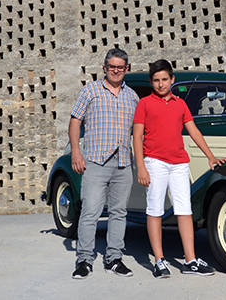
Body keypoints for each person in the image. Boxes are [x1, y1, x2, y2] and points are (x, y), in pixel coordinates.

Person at [133, 59, 226, 278]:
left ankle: (190, 260)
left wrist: (210, 156)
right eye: (156, 80)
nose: (161, 84)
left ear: (172, 80)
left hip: (179, 163)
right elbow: (137, 136)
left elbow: (193, 131)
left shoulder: (180, 104)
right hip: (154, 162)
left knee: (184, 210)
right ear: (151, 82)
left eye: (165, 79)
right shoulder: (144, 104)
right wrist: (141, 167)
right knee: (155, 209)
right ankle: (159, 261)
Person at [70, 48, 139, 279]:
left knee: (119, 213)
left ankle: (114, 259)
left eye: (120, 67)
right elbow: (75, 122)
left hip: (122, 163)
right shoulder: (90, 91)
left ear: (126, 69)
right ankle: (84, 260)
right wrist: (76, 153)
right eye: (112, 67)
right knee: (90, 211)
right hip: (95, 162)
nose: (116, 70)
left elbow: (138, 131)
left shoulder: (132, 97)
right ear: (104, 68)